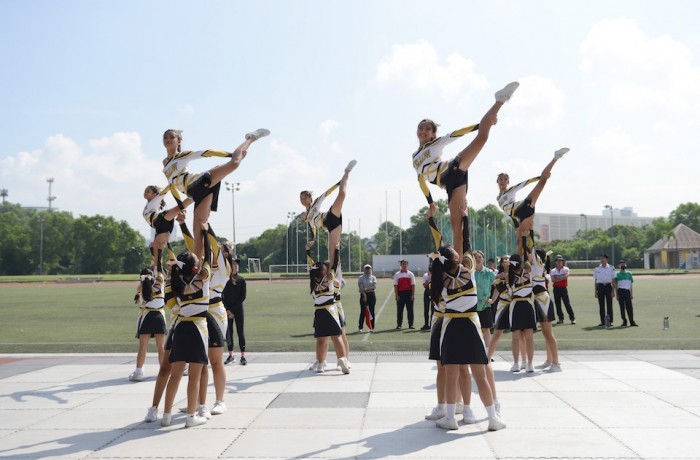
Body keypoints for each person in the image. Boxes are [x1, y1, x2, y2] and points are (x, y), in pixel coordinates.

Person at [413, 82, 519, 259]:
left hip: (453, 168)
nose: (423, 130)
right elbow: (421, 180)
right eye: (420, 128)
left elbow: (456, 133)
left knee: (482, 136)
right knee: (457, 225)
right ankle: (460, 267)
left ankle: (500, 100)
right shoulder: (415, 157)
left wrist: (481, 124)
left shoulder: (436, 143)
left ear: (433, 134)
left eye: (427, 129)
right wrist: (430, 202)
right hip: (449, 185)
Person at [161, 127, 269, 263]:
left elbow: (208, 152)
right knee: (198, 229)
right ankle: (197, 268)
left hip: (199, 182)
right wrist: (180, 206)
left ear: (179, 141)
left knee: (234, 163)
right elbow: (172, 186)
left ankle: (251, 138)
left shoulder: (182, 156)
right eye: (165, 137)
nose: (168, 140)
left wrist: (231, 155)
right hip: (195, 194)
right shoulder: (165, 163)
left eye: (172, 137)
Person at [428, 245, 505, 431]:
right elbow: (465, 241)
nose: (459, 253)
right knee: (480, 376)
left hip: (451, 327)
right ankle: (493, 418)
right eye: (456, 252)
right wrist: (463, 218)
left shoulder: (440, 281)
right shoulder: (469, 272)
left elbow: (439, 303)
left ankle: (450, 417)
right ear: (455, 259)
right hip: (471, 326)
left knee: (451, 375)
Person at [160, 223, 212, 428]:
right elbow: (209, 256)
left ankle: (166, 416)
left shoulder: (175, 282)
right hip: (198, 330)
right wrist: (206, 232)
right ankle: (191, 417)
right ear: (195, 267)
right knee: (195, 376)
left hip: (180, 329)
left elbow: (170, 303)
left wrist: (171, 270)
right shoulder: (203, 279)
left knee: (175, 375)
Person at [496, 147, 569, 258]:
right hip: (521, 215)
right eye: (500, 179)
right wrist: (516, 226)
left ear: (508, 182)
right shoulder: (498, 198)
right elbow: (509, 214)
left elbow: (525, 183)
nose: (502, 181)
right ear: (497, 181)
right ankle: (524, 265)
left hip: (523, 207)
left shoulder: (511, 190)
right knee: (523, 241)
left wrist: (539, 177)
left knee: (542, 181)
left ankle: (555, 157)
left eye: (505, 179)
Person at [300, 160, 357, 271]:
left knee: (342, 194)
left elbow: (327, 193)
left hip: (330, 216)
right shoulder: (306, 217)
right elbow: (313, 229)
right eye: (301, 198)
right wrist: (313, 239)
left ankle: (346, 172)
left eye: (304, 197)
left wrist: (338, 183)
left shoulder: (316, 203)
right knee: (332, 254)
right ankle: (334, 282)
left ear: (310, 198)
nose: (303, 200)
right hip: (331, 227)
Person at [306, 242, 350, 374]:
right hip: (331, 311)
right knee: (337, 337)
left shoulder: (313, 283)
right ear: (324, 271)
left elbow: (311, 265)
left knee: (320, 340)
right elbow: (335, 265)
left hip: (319, 312)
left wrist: (308, 251)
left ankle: (320, 363)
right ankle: (342, 359)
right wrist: (336, 251)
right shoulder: (329, 280)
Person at [129, 261, 167, 382]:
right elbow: (160, 273)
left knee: (142, 347)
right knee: (161, 347)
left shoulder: (141, 290)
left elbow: (139, 304)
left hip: (146, 317)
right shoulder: (159, 285)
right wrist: (156, 262)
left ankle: (139, 372)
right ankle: (163, 371)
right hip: (159, 317)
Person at [142, 185, 193, 268]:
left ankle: (194, 196)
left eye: (148, 191)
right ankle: (160, 271)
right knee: (155, 248)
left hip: (160, 219)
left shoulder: (155, 200)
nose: (145, 193)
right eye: (145, 191)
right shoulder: (155, 204)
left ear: (155, 194)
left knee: (179, 207)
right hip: (160, 225)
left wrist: (169, 185)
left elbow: (169, 187)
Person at [531, 248, 561, 372]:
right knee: (545, 333)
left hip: (543, 300)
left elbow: (530, 248)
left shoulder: (538, 265)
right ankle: (549, 360)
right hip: (539, 300)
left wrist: (527, 232)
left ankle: (556, 363)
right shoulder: (536, 266)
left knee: (549, 334)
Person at [507, 253, 536, 373]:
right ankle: (516, 363)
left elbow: (530, 261)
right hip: (516, 306)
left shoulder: (528, 271)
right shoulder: (510, 276)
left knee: (529, 337)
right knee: (516, 337)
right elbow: (510, 293)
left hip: (528, 305)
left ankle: (529, 363)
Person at [223, 253, 247, 364]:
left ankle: (243, 356)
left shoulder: (241, 280)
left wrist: (233, 310)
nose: (236, 267)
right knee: (229, 332)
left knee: (240, 332)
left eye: (237, 265)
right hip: (227, 311)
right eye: (234, 265)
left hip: (238, 310)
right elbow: (222, 296)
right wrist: (228, 310)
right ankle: (231, 354)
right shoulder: (225, 280)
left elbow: (243, 297)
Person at [551, 255, 576, 324]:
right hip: (556, 289)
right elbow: (553, 280)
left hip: (563, 289)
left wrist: (558, 278)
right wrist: (561, 277)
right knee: (558, 304)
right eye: (557, 261)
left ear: (562, 262)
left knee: (567, 304)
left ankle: (572, 318)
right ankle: (560, 319)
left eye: (560, 261)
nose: (559, 262)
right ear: (555, 262)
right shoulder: (553, 270)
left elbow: (566, 277)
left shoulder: (566, 269)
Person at [594, 253, 616, 327]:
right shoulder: (597, 269)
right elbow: (596, 281)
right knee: (601, 305)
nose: (602, 260)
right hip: (600, 287)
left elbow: (613, 280)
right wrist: (595, 291)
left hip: (608, 286)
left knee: (609, 305)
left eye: (603, 258)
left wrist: (613, 291)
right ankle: (603, 321)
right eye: (601, 258)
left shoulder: (611, 268)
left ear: (607, 259)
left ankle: (610, 321)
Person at [393, 259, 416, 329]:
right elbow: (395, 285)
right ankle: (399, 324)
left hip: (409, 293)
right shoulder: (397, 274)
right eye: (403, 264)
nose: (404, 265)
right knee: (400, 310)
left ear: (407, 265)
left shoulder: (410, 274)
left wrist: (413, 294)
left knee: (410, 310)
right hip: (400, 294)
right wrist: (396, 295)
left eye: (405, 264)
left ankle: (411, 324)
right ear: (401, 265)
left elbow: (413, 285)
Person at [616, 259, 637, 327]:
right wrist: (617, 294)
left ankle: (632, 321)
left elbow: (630, 284)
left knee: (630, 308)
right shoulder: (617, 274)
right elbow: (616, 285)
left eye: (624, 264)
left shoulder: (629, 273)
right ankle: (624, 321)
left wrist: (631, 294)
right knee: (622, 308)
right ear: (619, 266)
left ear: (626, 265)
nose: (623, 265)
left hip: (627, 292)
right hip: (620, 291)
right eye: (621, 264)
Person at [357, 264, 377, 332]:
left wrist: (365, 289)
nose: (367, 270)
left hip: (372, 295)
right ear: (364, 269)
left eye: (369, 269)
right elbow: (360, 288)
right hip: (363, 295)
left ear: (371, 269)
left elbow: (374, 287)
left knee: (371, 311)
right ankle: (360, 327)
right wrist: (365, 295)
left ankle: (372, 327)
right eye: (366, 269)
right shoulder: (361, 277)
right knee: (363, 311)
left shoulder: (373, 277)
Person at [421, 263, 433, 330]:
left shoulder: (436, 274)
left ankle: (432, 324)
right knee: (426, 309)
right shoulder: (425, 275)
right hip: (427, 291)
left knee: (433, 309)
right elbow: (424, 285)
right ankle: (426, 324)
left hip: (433, 292)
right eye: (429, 266)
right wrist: (429, 279)